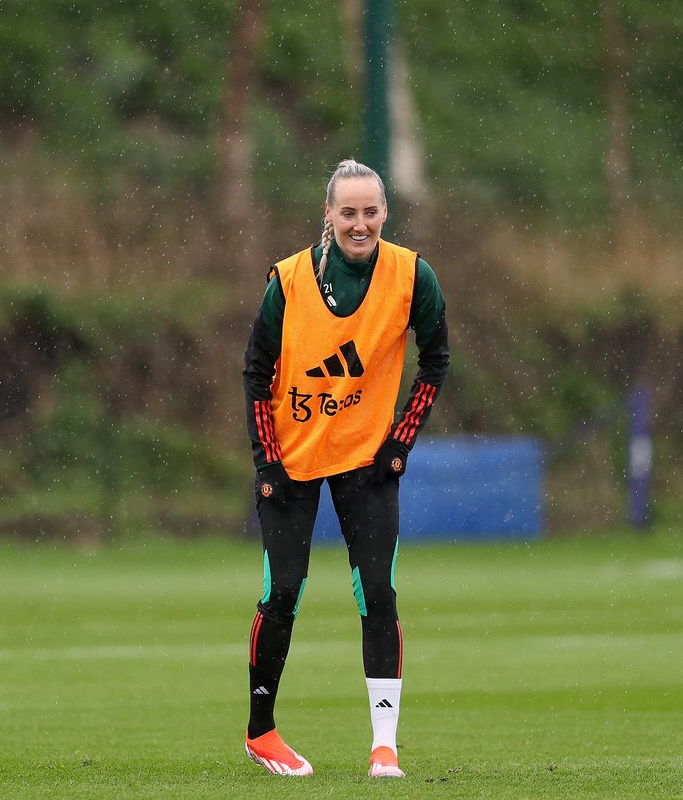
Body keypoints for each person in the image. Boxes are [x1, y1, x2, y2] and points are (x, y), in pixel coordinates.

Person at [241, 159, 449, 778]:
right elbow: (255, 372)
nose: (361, 224)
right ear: (328, 217)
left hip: (365, 461)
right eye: (348, 212)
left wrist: (400, 442)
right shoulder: (288, 280)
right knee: (282, 593)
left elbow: (435, 360)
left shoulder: (413, 276)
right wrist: (266, 460)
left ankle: (384, 746)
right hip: (293, 461)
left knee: (377, 593)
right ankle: (262, 732)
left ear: (385, 213)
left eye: (371, 212)